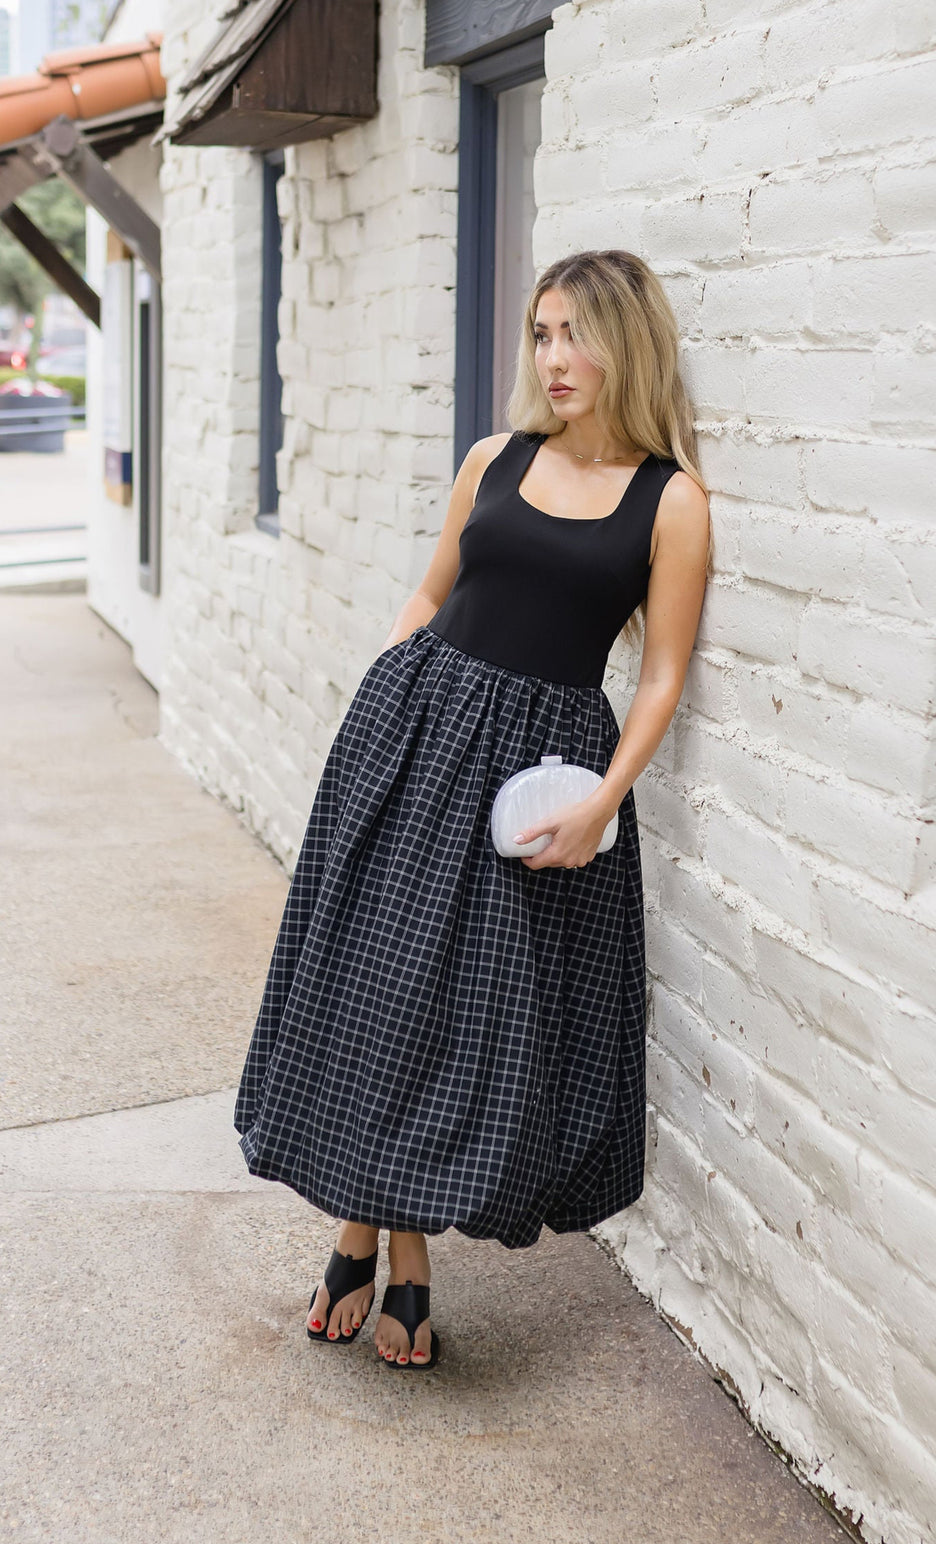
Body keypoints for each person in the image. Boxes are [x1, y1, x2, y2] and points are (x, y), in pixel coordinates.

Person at [234, 248, 711, 1371]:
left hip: (533, 779)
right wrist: (382, 701)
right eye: (542, 333)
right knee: (373, 991)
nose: (553, 358)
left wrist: (604, 800)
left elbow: (661, 676)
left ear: (629, 344)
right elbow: (431, 589)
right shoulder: (495, 459)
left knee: (455, 1018)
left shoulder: (671, 501)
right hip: (412, 736)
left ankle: (365, 1239)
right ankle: (390, 1250)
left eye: (576, 334)